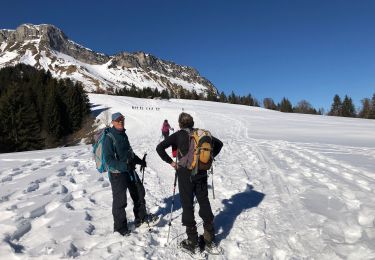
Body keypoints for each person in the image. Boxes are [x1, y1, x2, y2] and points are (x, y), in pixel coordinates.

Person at [156, 112, 223, 253]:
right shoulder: (201, 133)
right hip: (201, 172)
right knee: (204, 201)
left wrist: (171, 163)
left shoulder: (178, 135)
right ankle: (209, 239)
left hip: (185, 174)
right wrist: (207, 159)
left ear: (180, 124)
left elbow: (159, 148)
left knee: (187, 204)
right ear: (192, 123)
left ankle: (192, 242)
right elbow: (219, 144)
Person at [103, 112, 150, 236]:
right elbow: (109, 160)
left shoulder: (123, 134)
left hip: (129, 170)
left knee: (139, 192)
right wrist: (124, 166)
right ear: (113, 122)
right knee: (120, 201)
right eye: (118, 120)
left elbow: (129, 153)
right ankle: (120, 228)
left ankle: (140, 218)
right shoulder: (109, 138)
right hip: (117, 174)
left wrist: (140, 161)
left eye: (122, 120)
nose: (120, 122)